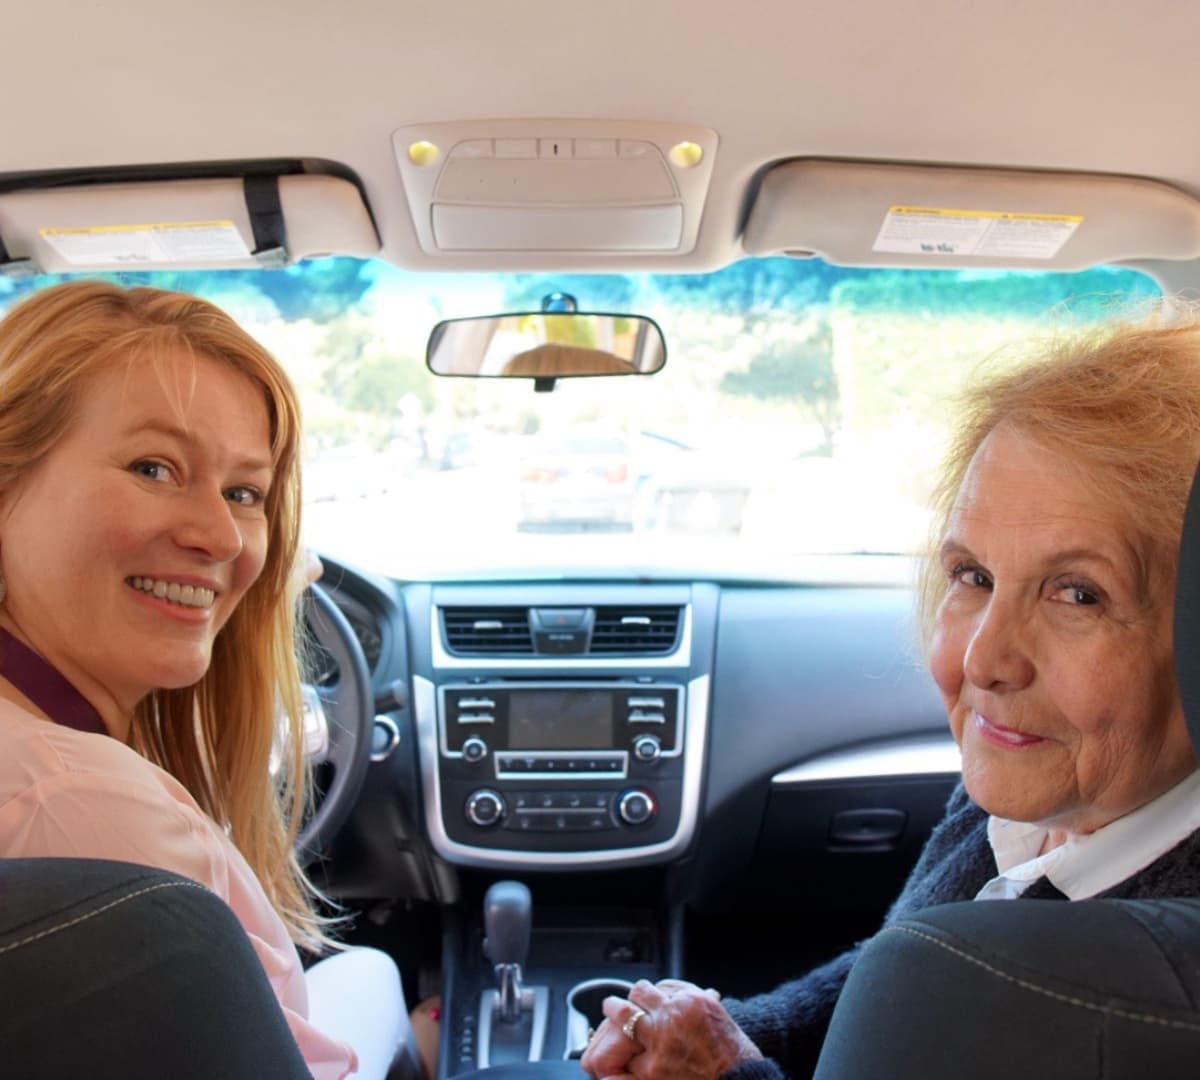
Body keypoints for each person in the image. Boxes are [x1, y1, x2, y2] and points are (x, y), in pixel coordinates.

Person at [581, 316, 1200, 1080]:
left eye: (1078, 594)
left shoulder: (1162, 979)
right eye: (972, 575)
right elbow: (900, 975)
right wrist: (730, 1030)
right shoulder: (1029, 791)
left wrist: (730, 1073)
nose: (984, 661)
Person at [0, 281, 406, 1079]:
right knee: (380, 975)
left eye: (244, 493)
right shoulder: (78, 801)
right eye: (154, 468)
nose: (221, 537)